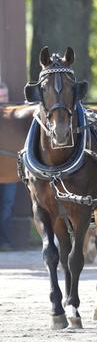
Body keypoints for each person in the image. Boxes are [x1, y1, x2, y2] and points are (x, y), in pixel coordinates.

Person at [0, 81, 17, 251]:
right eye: (0, 98)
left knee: (7, 206)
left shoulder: (14, 115)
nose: (3, 100)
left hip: (10, 170)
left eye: (4, 96)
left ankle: (5, 241)